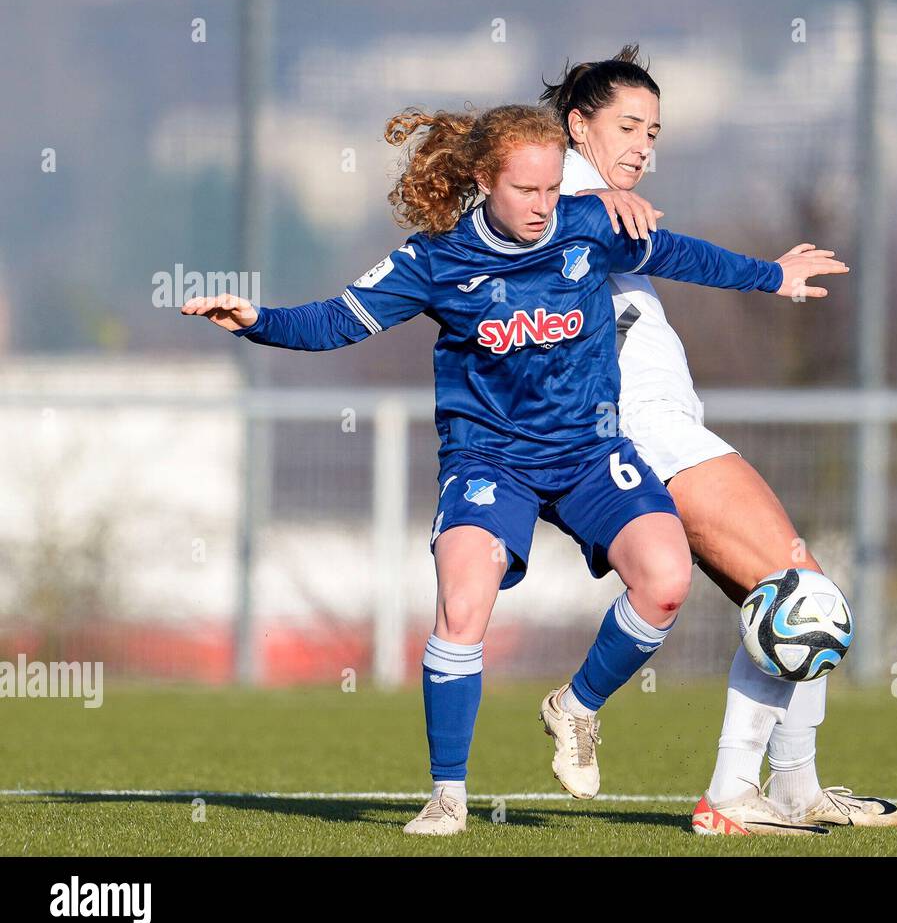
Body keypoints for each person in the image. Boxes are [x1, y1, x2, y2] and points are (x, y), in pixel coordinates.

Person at [180, 103, 847, 836]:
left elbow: (680, 255)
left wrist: (770, 275)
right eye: (526, 191)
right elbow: (335, 320)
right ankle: (447, 795)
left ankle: (576, 707)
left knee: (665, 578)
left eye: (553, 189)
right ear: (483, 181)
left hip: (591, 450)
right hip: (490, 457)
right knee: (464, 598)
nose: (542, 206)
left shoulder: (589, 225)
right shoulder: (434, 260)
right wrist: (258, 321)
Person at [540, 46, 897, 834]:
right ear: (576, 126)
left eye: (655, 130)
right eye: (627, 125)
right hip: (647, 432)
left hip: (662, 428)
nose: (643, 144)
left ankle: (791, 788)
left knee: (790, 593)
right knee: (799, 593)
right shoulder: (566, 195)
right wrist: (768, 276)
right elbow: (674, 251)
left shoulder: (591, 202)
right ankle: (732, 793)